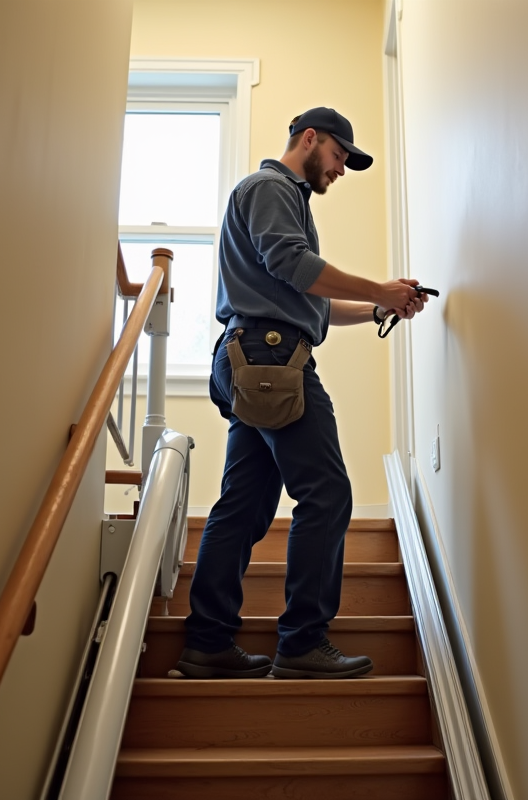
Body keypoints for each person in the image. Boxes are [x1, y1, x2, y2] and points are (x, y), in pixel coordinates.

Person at [176, 107, 429, 680]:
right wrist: (380, 286)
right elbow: (294, 266)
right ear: (309, 139)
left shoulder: (281, 200)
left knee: (244, 506)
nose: (341, 169)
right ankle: (302, 642)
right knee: (328, 493)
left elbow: (310, 299)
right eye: (339, 155)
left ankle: (209, 642)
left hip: (255, 359)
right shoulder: (271, 187)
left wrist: (379, 305)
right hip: (269, 359)